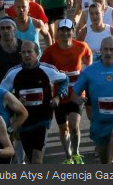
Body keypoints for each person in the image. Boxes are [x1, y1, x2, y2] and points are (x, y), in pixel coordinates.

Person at [1, 40, 69, 164]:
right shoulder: (13, 73)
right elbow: (2, 94)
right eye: (23, 52)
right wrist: (14, 101)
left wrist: (58, 97)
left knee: (37, 159)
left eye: (29, 52)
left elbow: (65, 79)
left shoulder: (47, 70)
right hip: (23, 120)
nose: (26, 55)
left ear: (37, 54)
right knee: (30, 158)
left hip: (43, 118)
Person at [71, 36, 113, 164]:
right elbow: (74, 94)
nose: (108, 53)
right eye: (105, 49)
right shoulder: (89, 71)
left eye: (111, 49)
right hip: (100, 124)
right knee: (104, 160)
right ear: (100, 50)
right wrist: (78, 100)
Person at [40, 19, 92, 164]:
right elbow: (42, 67)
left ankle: (76, 153)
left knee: (74, 126)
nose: (65, 33)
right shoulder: (50, 51)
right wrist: (53, 78)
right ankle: (68, 156)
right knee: (63, 129)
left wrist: (86, 71)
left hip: (77, 93)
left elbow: (88, 57)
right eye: (62, 30)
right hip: (59, 95)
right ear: (58, 32)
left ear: (73, 31)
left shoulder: (81, 46)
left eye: (68, 30)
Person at [0, 17, 23, 83]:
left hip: (21, 82)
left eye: (8, 28)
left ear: (15, 29)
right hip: (2, 83)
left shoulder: (24, 46)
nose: (5, 31)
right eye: (2, 28)